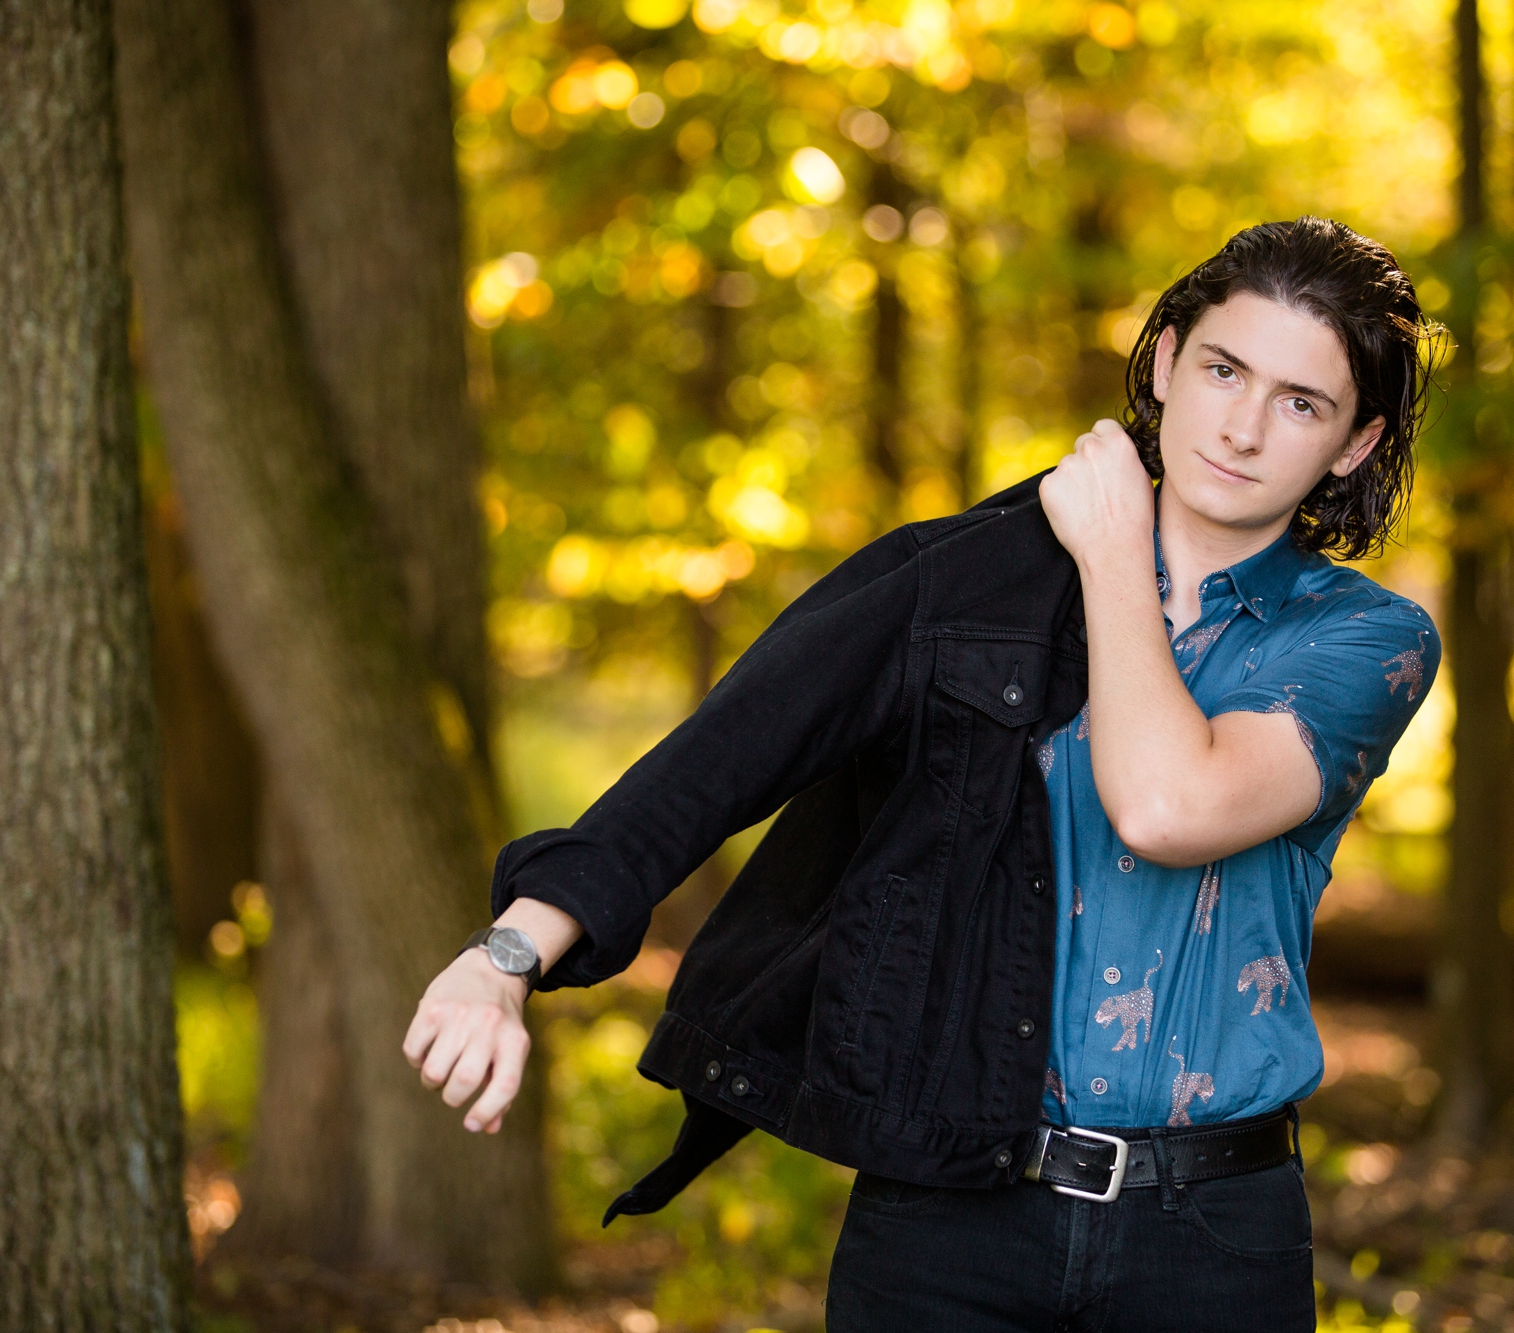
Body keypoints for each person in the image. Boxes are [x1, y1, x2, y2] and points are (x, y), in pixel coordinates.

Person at [403, 216, 1444, 1332]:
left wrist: (1105, 554)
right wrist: (505, 954)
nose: (1240, 427)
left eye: (1298, 402)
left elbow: (1165, 804)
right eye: (1222, 369)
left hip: (1209, 1238)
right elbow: (718, 759)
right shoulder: (964, 580)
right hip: (946, 1216)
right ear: (1163, 363)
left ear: (1351, 444)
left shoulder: (1356, 641)